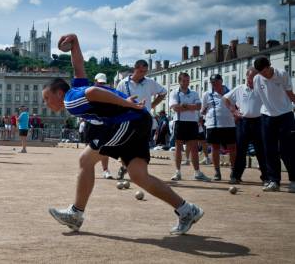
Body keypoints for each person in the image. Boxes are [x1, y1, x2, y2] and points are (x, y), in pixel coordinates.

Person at [46, 33, 203, 235]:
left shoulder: (70, 100)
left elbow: (93, 92)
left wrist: (125, 103)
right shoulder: (76, 87)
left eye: (47, 97)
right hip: (138, 120)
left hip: (130, 121)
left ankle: (76, 214)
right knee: (139, 176)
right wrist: (75, 42)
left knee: (86, 160)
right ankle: (187, 210)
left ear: (59, 93)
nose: (46, 103)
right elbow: (78, 67)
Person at [115, 59, 167, 180]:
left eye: (145, 71)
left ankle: (142, 173)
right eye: (140, 71)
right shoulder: (123, 83)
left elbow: (163, 93)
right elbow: (116, 100)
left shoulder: (149, 82)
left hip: (144, 119)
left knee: (143, 147)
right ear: (135, 68)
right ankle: (123, 167)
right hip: (128, 119)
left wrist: (152, 105)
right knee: (125, 146)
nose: (143, 74)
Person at [252, 57, 295, 192]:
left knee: (287, 150)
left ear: (269, 66)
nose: (263, 75)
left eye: (264, 71)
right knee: (269, 150)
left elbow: (290, 94)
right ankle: (273, 180)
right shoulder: (257, 79)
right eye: (260, 72)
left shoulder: (282, 74)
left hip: (285, 115)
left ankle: (293, 180)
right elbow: (259, 98)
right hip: (267, 116)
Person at [223, 68, 266, 185]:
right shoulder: (240, 89)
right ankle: (236, 176)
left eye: (256, 77)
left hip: (259, 121)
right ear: (247, 76)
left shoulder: (261, 88)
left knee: (261, 150)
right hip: (244, 122)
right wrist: (234, 111)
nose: (254, 79)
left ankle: (266, 177)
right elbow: (225, 98)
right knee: (240, 151)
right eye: (251, 76)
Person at [169, 73, 210, 182]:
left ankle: (197, 172)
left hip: (192, 123)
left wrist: (184, 105)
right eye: (184, 81)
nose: (186, 83)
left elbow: (198, 106)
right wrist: (189, 106)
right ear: (179, 81)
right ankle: (177, 172)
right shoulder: (174, 93)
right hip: (179, 122)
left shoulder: (194, 93)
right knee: (178, 147)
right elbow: (175, 108)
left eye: (188, 81)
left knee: (194, 148)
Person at [200, 74, 236, 181]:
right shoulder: (207, 94)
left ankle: (233, 172)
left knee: (232, 148)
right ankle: (217, 172)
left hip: (229, 124)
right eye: (212, 82)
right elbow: (203, 110)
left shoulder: (231, 92)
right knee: (215, 148)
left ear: (221, 81)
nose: (214, 84)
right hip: (213, 124)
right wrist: (201, 115)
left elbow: (236, 106)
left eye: (216, 82)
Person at [86, 73, 113, 179]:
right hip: (91, 124)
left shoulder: (109, 93)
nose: (101, 84)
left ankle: (106, 170)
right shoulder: (88, 92)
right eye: (99, 82)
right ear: (95, 81)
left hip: (104, 124)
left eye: (103, 83)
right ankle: (87, 169)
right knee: (89, 148)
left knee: (104, 148)